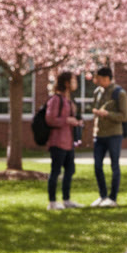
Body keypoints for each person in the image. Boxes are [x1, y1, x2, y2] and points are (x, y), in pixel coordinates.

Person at [90, 66, 127, 208]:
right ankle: (102, 196)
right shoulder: (97, 92)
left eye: (98, 78)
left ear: (106, 78)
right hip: (99, 134)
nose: (96, 81)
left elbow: (124, 116)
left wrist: (107, 114)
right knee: (97, 166)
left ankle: (112, 198)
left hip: (114, 135)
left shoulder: (120, 93)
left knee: (114, 166)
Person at [45, 71, 84, 210]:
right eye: (73, 80)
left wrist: (77, 122)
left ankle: (66, 200)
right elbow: (50, 119)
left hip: (69, 142)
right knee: (55, 171)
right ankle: (52, 202)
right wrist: (67, 120)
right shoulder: (56, 99)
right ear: (66, 83)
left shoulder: (69, 100)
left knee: (70, 171)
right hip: (58, 142)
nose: (76, 83)